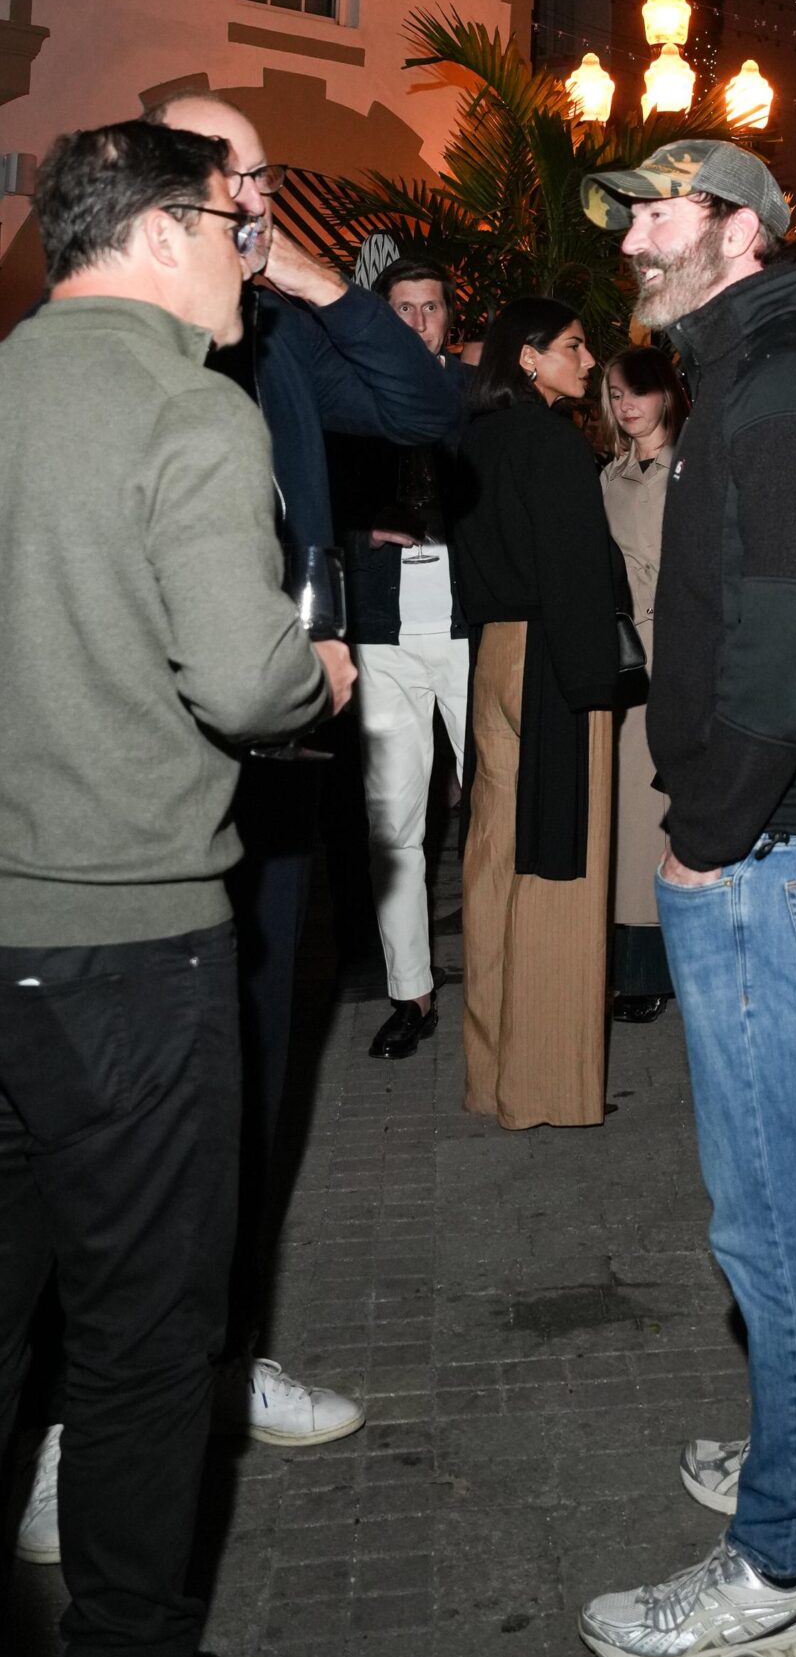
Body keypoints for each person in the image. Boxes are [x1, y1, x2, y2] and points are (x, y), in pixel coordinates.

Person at [0, 121, 351, 1657]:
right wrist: (322, 673)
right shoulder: (185, 412)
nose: (250, 253)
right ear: (152, 233)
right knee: (146, 1361)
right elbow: (244, 680)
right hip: (130, 948)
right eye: (234, 220)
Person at [576, 142, 796, 1657]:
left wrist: (706, 838)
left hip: (769, 848)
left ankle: (784, 1561)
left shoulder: (787, 387)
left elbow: (781, 661)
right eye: (629, 211)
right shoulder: (757, 371)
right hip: (783, 840)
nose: (636, 234)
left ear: (747, 230)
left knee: (768, 1215)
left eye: (664, 207)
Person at [148, 93, 458, 1445]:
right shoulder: (122, 341)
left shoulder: (274, 330)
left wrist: (314, 274)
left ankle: (229, 1350)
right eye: (241, 178)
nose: (262, 195)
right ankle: (81, 1418)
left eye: (269, 176)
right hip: (147, 763)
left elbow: (422, 399)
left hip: (278, 743)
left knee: (264, 1059)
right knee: (132, 1097)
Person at [449, 301, 616, 1130]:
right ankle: (547, 1086)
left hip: (493, 657)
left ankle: (487, 1074)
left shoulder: (475, 441)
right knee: (560, 864)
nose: (588, 362)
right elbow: (579, 575)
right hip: (557, 662)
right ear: (527, 358)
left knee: (492, 858)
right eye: (575, 346)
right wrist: (605, 683)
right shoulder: (555, 445)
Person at [335, 257, 472, 1062]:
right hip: (384, 634)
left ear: (449, 319)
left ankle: (505, 975)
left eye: (430, 308)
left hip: (465, 629)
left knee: (495, 811)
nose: (418, 322)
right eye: (404, 309)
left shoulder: (471, 394)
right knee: (394, 826)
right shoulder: (349, 397)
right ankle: (410, 993)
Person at [599, 346, 688, 1023]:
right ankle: (642, 968)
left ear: (666, 394)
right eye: (615, 392)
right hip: (635, 661)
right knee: (635, 817)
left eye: (639, 390)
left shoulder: (699, 467)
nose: (628, 404)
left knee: (685, 806)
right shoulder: (607, 480)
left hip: (689, 656)